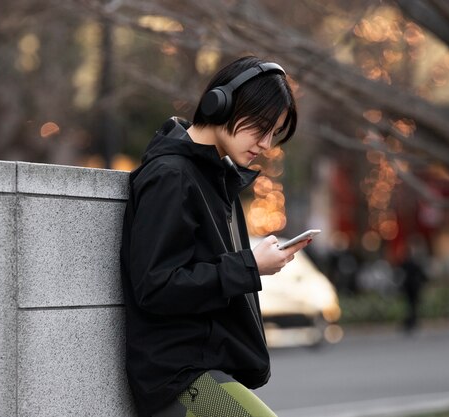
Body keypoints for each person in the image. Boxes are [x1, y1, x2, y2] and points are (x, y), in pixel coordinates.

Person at [120, 56, 309, 417]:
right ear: (221, 103)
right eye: (261, 127)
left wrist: (251, 264)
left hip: (202, 370)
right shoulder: (170, 176)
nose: (266, 144)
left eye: (274, 133)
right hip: (180, 379)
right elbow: (156, 285)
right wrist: (249, 265)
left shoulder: (215, 178)